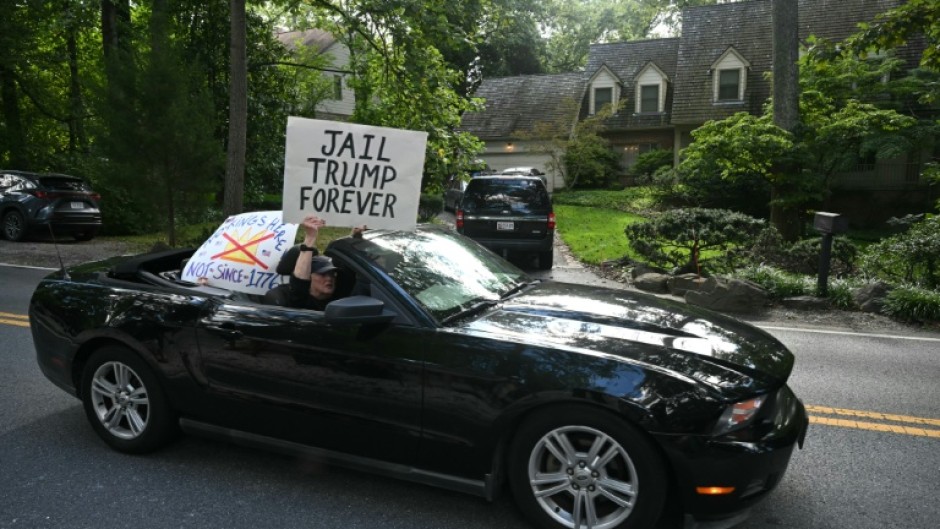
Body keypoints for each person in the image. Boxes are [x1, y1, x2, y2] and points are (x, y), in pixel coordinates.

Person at [287, 214, 368, 310]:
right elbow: (299, 281)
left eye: (332, 274)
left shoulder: (341, 296)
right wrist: (310, 237)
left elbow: (347, 265)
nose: (329, 278)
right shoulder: (300, 302)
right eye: (323, 274)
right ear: (309, 278)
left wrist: (355, 235)